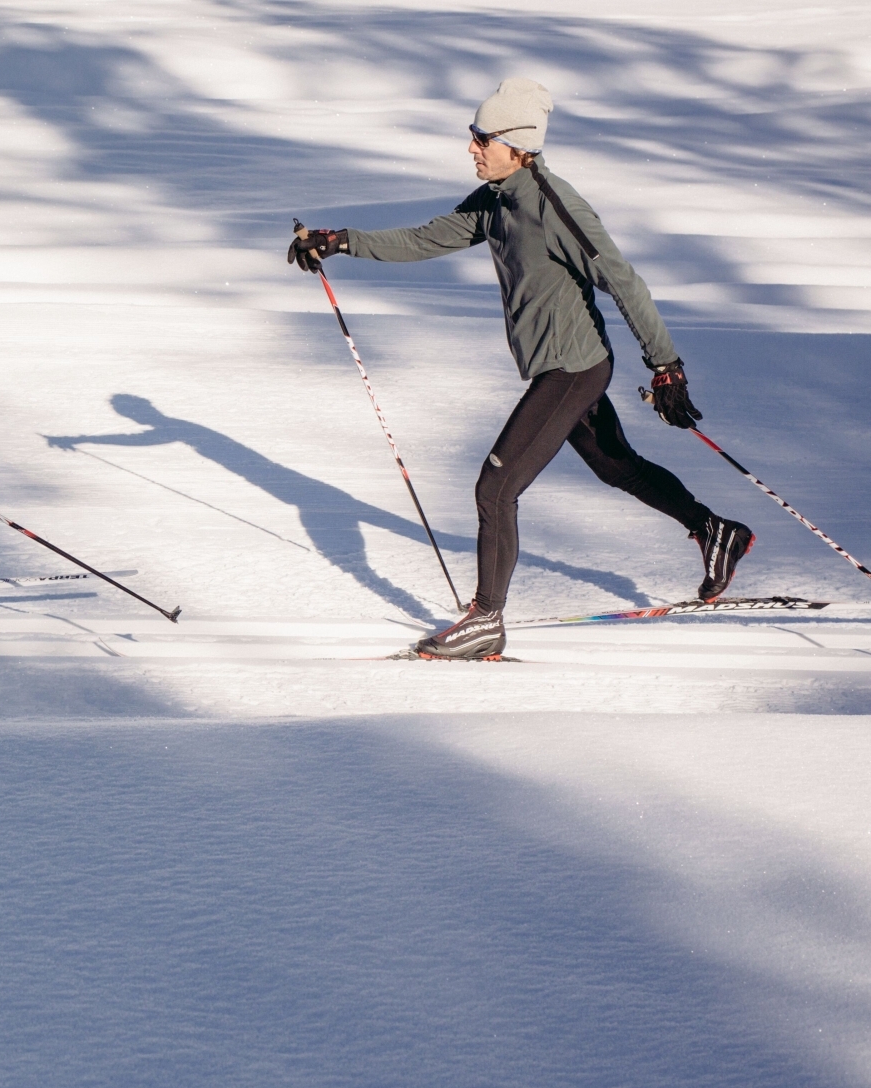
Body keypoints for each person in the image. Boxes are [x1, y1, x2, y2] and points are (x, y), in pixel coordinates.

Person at [287, 78, 752, 660]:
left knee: (496, 486)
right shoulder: (496, 200)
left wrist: (666, 366)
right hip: (559, 367)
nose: (472, 147)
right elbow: (427, 237)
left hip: (574, 370)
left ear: (517, 143)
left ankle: (486, 619)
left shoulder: (552, 203)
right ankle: (715, 532)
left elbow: (623, 279)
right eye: (472, 136)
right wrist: (340, 241)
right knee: (617, 466)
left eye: (482, 137)